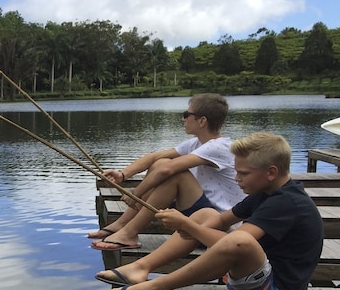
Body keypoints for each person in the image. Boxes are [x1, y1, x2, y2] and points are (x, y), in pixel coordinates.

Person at [98, 131, 323, 290]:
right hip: (251, 277)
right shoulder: (264, 194)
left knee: (240, 241)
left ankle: (157, 287)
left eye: (243, 174)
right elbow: (221, 221)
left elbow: (238, 244)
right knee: (206, 214)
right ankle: (140, 267)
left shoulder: (286, 203)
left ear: (271, 172)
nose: (237, 179)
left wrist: (187, 225)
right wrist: (190, 226)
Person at [90, 93, 244, 251]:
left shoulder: (219, 147)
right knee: (161, 162)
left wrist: (136, 193)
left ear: (202, 121)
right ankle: (122, 225)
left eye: (186, 115)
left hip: (216, 227)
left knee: (175, 173)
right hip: (200, 215)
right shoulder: (196, 144)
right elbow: (155, 158)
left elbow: (168, 170)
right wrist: (123, 174)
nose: (183, 119)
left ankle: (129, 232)